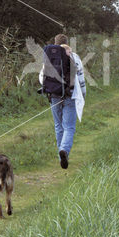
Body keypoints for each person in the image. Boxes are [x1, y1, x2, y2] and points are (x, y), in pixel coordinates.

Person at [40, 34, 86, 169]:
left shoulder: (49, 55)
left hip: (54, 95)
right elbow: (81, 78)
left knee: (58, 126)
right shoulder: (75, 57)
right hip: (70, 95)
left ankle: (61, 155)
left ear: (55, 43)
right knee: (69, 126)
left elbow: (42, 78)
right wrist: (83, 95)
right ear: (67, 43)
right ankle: (64, 150)